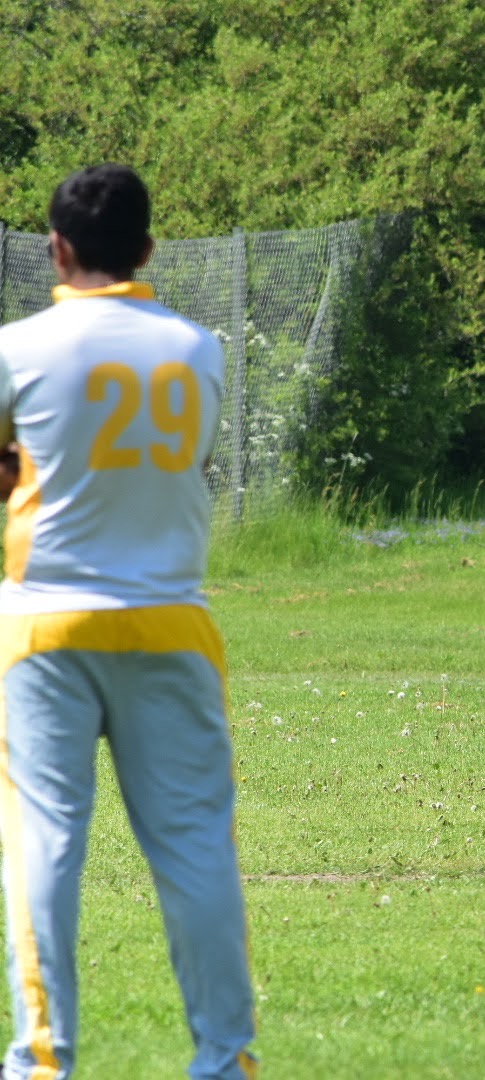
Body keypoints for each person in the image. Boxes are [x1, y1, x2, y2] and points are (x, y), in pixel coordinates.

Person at [0, 165, 258, 1078]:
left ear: (55, 249)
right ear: (150, 248)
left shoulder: (16, 347)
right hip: (170, 622)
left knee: (45, 842)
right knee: (194, 849)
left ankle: (39, 1060)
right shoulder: (201, 348)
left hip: (44, 627)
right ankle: (225, 1061)